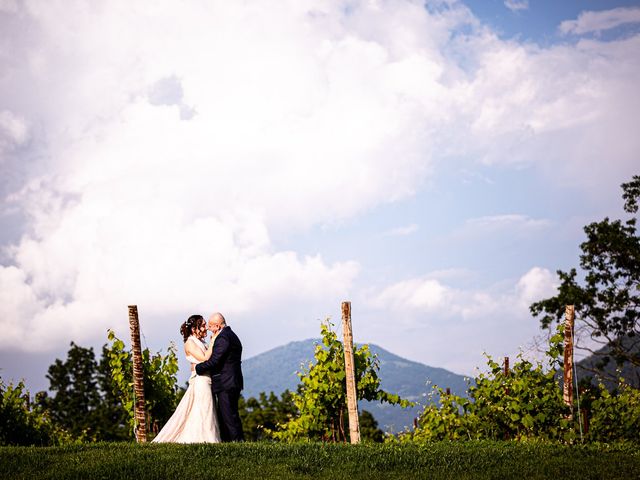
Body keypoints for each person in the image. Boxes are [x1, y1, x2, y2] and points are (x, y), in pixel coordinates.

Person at [152, 314, 222, 443]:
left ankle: (207, 438)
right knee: (204, 409)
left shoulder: (202, 342)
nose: (206, 328)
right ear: (194, 329)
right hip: (200, 380)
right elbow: (205, 358)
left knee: (206, 409)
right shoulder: (190, 343)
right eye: (202, 326)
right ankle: (206, 439)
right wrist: (213, 341)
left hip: (207, 379)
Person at [195, 312, 244, 441]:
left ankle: (236, 442)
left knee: (228, 416)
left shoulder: (223, 338)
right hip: (232, 380)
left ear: (217, 326)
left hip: (225, 381)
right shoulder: (232, 335)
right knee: (230, 414)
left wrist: (198, 368)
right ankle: (234, 441)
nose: (208, 328)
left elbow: (215, 361)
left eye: (210, 326)